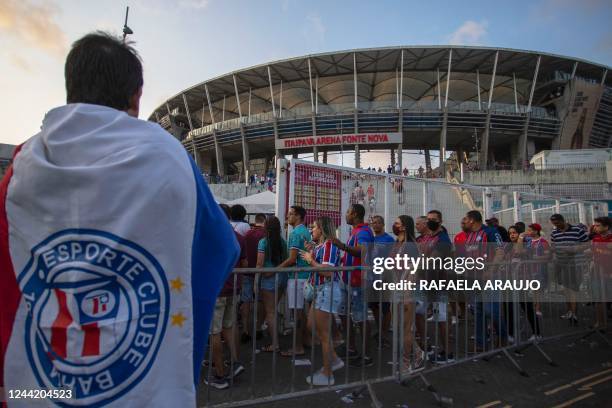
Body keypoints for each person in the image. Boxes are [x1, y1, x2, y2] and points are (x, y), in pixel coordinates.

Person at [0, 32, 239, 406]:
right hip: (148, 388)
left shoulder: (23, 166)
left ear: (70, 87)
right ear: (136, 96)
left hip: (40, 386)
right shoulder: (170, 158)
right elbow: (222, 248)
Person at [206, 205, 247, 389]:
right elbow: (245, 263)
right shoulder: (238, 237)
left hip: (217, 290)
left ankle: (220, 374)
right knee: (229, 327)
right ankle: (235, 362)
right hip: (234, 288)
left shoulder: (212, 237)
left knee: (214, 332)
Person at [300, 217, 345, 386]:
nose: (311, 230)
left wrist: (310, 260)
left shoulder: (329, 245)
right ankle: (333, 360)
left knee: (324, 335)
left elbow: (327, 272)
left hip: (326, 290)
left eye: (314, 227)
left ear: (322, 229)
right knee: (312, 326)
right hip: (321, 291)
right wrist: (312, 253)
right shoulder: (322, 246)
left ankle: (328, 374)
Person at [333, 204, 374, 366]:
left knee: (361, 317)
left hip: (358, 281)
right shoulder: (356, 231)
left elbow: (363, 251)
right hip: (348, 279)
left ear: (355, 214)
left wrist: (342, 246)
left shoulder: (363, 232)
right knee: (342, 312)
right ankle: (351, 348)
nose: (346, 215)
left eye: (348, 212)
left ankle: (366, 356)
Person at [463, 210, 506, 350]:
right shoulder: (469, 235)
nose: (463, 222)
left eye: (465, 219)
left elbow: (500, 251)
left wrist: (491, 270)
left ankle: (503, 338)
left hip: (490, 277)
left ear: (472, 220)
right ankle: (481, 344)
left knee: (491, 310)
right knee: (478, 311)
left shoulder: (490, 232)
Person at [392, 215, 426, 373]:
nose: (395, 225)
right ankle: (418, 354)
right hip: (397, 288)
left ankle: (405, 363)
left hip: (408, 289)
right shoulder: (397, 243)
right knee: (400, 328)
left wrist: (407, 292)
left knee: (406, 329)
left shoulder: (411, 245)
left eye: (397, 223)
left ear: (404, 226)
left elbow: (413, 271)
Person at [278, 206, 311, 357]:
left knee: (296, 313)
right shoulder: (305, 231)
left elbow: (292, 259)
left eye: (290, 214)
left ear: (298, 216)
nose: (287, 216)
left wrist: (277, 269)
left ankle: (298, 346)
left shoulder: (295, 233)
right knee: (301, 312)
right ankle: (305, 340)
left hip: (297, 277)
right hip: (304, 275)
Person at [550, 213, 589, 324]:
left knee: (572, 289)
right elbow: (553, 245)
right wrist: (553, 249)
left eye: (557, 223)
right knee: (566, 290)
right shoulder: (554, 232)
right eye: (554, 224)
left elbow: (587, 244)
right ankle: (570, 311)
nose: (556, 226)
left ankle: (574, 314)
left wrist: (574, 249)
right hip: (562, 264)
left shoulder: (577, 230)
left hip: (576, 264)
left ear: (563, 220)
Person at [256, 216, 288, 352]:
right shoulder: (283, 242)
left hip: (268, 279)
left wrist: (256, 281)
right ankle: (274, 340)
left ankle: (274, 343)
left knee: (270, 312)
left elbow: (259, 264)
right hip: (282, 278)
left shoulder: (263, 242)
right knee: (272, 310)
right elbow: (286, 260)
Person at [240, 213, 267, 343]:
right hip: (261, 272)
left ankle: (245, 329)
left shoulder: (247, 234)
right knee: (261, 301)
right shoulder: (266, 235)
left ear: (255, 221)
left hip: (246, 271)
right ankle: (258, 327)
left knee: (246, 300)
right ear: (264, 222)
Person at [369, 215, 394, 348]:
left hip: (384, 277)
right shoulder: (371, 239)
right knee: (373, 305)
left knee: (385, 307)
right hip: (372, 277)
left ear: (383, 224)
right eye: (373, 223)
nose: (375, 225)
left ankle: (384, 334)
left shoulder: (389, 239)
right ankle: (379, 329)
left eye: (378, 223)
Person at [590, 217, 611, 330]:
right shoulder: (595, 238)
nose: (595, 227)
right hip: (597, 273)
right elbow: (592, 252)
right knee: (598, 299)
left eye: (598, 225)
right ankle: (600, 323)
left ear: (606, 227)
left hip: (609, 274)